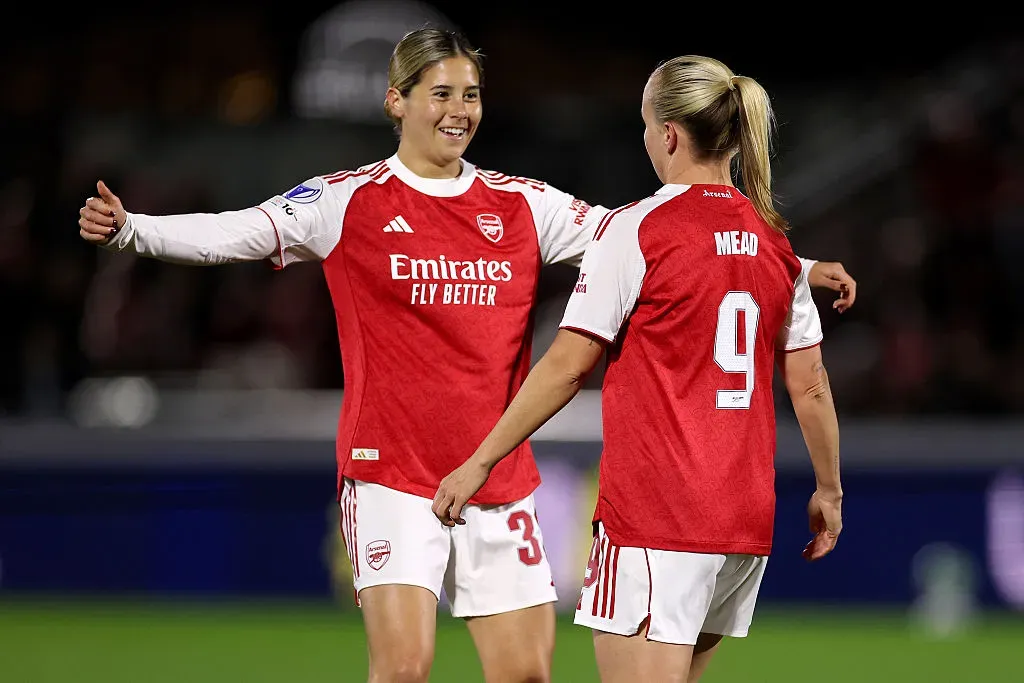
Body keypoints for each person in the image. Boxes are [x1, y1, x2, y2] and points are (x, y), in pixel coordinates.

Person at [78, 29, 850, 683]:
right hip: (392, 472)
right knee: (407, 665)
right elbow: (237, 231)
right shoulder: (351, 200)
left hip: (496, 479)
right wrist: (132, 230)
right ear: (397, 101)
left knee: (525, 673)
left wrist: (800, 266)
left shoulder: (520, 204)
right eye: (441, 93)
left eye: (471, 95)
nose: (460, 111)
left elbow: (669, 236)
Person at [432, 54, 843, 683]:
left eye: (647, 124)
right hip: (741, 524)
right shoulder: (776, 243)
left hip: (660, 518)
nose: (646, 138)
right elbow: (810, 385)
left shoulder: (639, 229)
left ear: (671, 134)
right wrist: (828, 491)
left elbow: (569, 366)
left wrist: (480, 460)